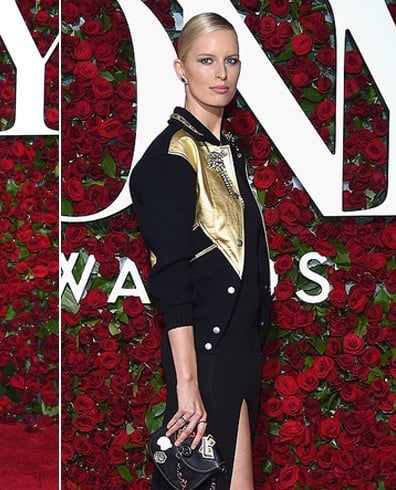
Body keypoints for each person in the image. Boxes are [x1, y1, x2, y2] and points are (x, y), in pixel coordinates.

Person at [129, 12, 271, 490]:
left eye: (230, 61)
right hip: (205, 353)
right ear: (180, 68)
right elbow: (171, 280)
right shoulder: (170, 157)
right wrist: (186, 384)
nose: (221, 73)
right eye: (206, 60)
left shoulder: (225, 150)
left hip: (238, 351)